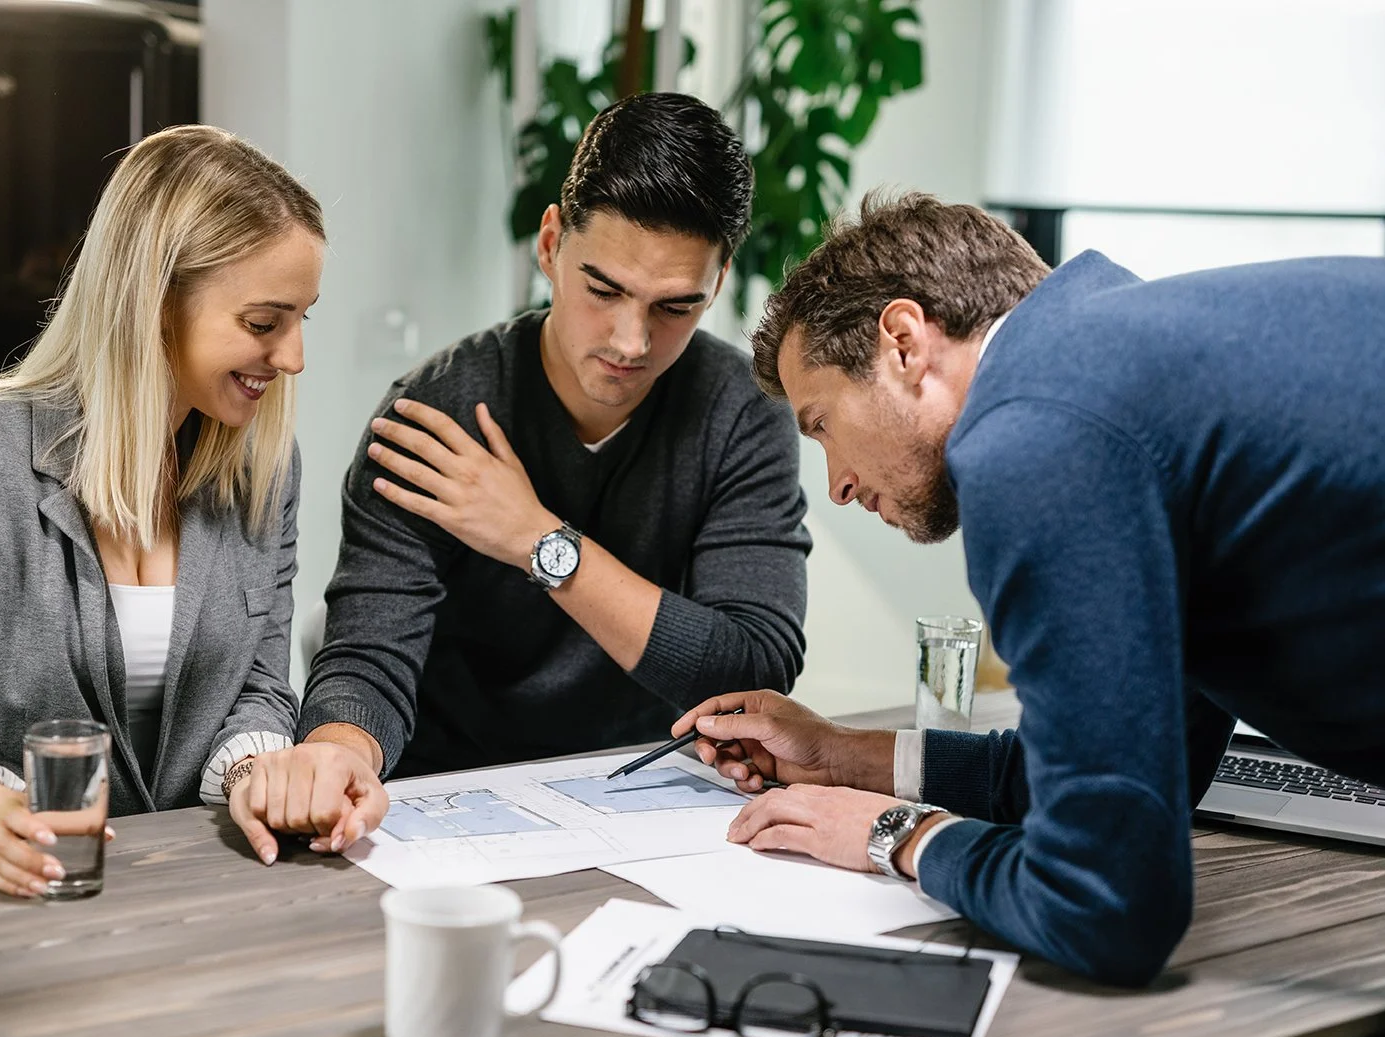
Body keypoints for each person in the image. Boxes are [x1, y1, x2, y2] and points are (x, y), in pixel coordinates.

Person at [671, 190, 1385, 987]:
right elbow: (1110, 782)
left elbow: (1106, 903)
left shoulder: (1038, 438)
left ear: (903, 343)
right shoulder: (1122, 370)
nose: (835, 484)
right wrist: (846, 755)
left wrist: (896, 834)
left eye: (822, 423)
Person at [0, 125, 387, 897]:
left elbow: (258, 688)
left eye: (304, 318)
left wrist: (259, 773)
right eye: (265, 323)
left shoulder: (263, 468)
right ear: (154, 301)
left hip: (205, 888)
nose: (293, 355)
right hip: (18, 897)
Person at [296, 92, 811, 780]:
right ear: (549, 244)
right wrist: (334, 759)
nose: (631, 341)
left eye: (673, 306)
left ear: (716, 283)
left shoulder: (739, 410)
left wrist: (538, 541)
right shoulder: (437, 412)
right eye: (602, 289)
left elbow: (754, 666)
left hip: (642, 784)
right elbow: (366, 656)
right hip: (444, 789)